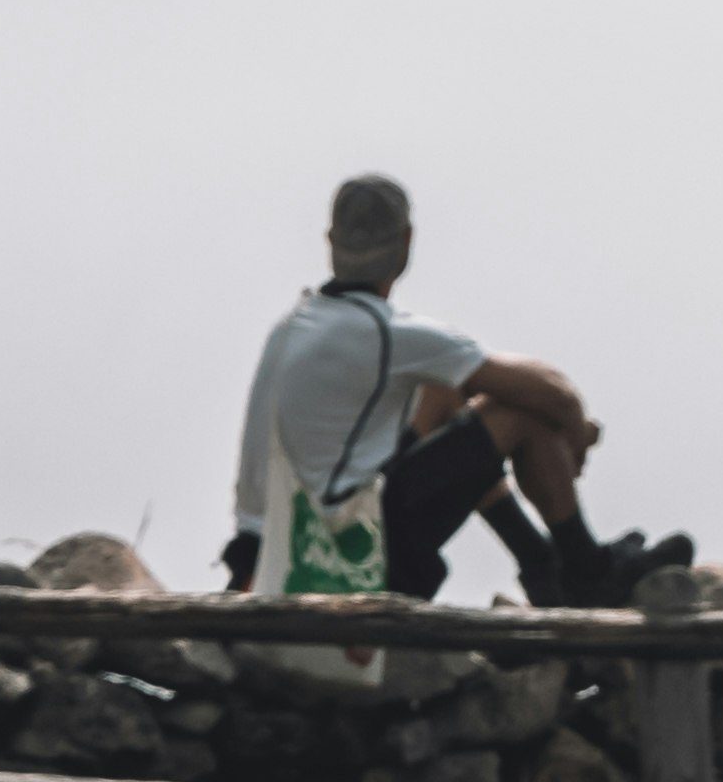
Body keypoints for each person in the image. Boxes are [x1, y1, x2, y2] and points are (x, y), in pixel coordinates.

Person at [222, 170, 689, 610]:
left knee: (442, 396)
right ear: (407, 242)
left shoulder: (293, 324)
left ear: (329, 242)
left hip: (262, 558)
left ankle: (542, 564)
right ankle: (588, 571)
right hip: (336, 566)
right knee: (517, 413)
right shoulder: (386, 333)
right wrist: (575, 435)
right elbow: (554, 394)